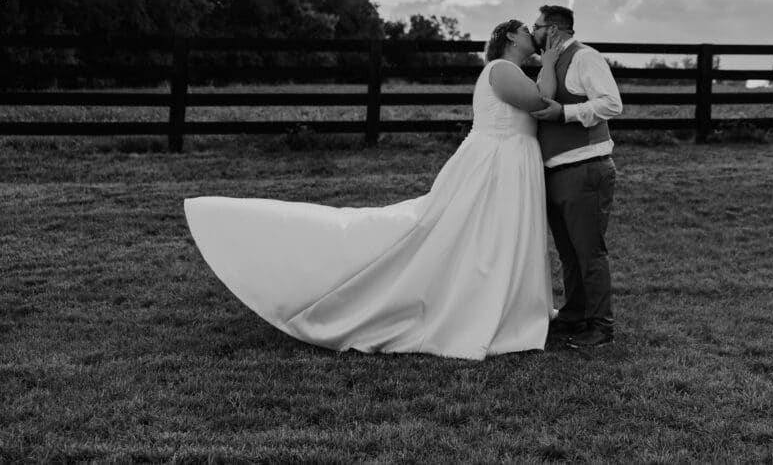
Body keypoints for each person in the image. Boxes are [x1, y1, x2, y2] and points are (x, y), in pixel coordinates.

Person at [183, 19, 556, 361]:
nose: (532, 35)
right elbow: (540, 102)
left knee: (490, 237)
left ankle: (502, 302)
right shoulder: (503, 69)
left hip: (508, 165)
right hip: (492, 166)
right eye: (527, 29)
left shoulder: (513, 71)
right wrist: (553, 61)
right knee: (461, 236)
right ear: (510, 37)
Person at [530, 5, 623, 349]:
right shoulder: (553, 63)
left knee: (589, 253)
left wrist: (565, 113)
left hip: (585, 168)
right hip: (557, 171)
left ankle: (601, 326)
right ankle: (574, 315)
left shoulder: (586, 58)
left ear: (553, 30)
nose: (533, 32)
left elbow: (612, 104)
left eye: (536, 26)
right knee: (569, 254)